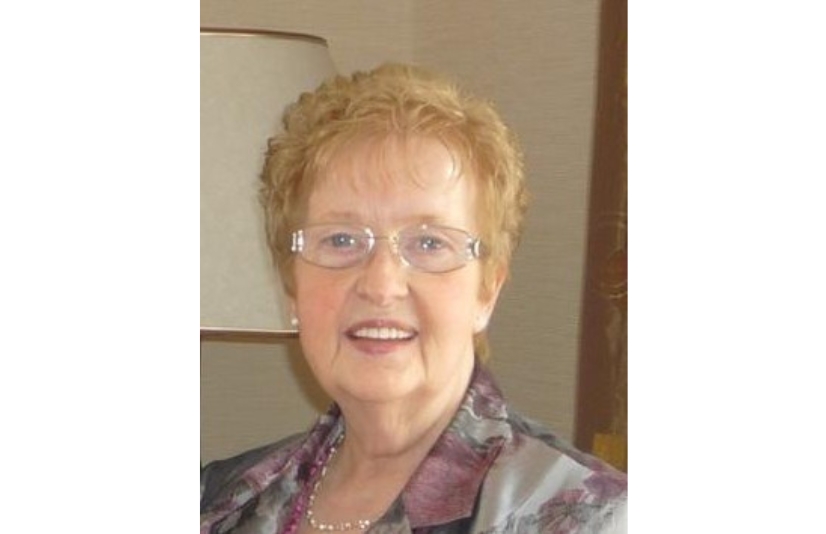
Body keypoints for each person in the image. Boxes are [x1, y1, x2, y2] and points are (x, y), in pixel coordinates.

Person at [200, 63, 627, 533]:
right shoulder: (216, 501)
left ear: (488, 289)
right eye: (341, 240)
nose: (381, 284)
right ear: (291, 286)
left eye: (428, 243)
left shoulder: (594, 518)